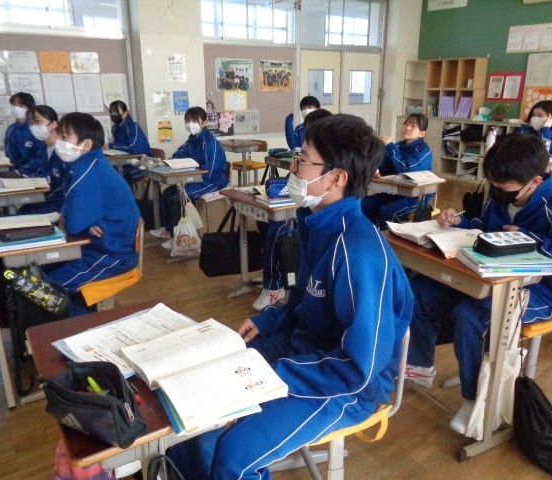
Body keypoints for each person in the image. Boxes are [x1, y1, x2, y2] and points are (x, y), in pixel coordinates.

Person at [167, 114, 414, 479]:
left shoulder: (358, 251)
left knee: (235, 456)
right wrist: (266, 321)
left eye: (303, 160)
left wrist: (274, 377)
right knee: (197, 398)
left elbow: (360, 369)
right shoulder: (316, 222)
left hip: (344, 386)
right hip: (304, 349)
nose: (293, 168)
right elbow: (302, 298)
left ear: (337, 178)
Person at [404, 134, 552, 435]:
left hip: (546, 293)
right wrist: (460, 222)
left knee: (472, 314)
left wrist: (534, 243)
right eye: (493, 184)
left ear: (535, 181)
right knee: (422, 291)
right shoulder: (500, 196)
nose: (496, 192)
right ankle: (420, 365)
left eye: (503, 188)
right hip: (492, 280)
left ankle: (475, 400)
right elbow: (485, 227)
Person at [42, 112, 140, 316]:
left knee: (48, 290)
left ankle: (78, 327)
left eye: (65, 136)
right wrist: (84, 221)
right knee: (43, 269)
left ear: (86, 144)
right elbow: (68, 209)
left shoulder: (87, 171)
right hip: (96, 245)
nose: (59, 141)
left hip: (112, 254)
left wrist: (77, 221)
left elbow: (71, 226)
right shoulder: (84, 165)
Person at [253, 108, 333, 311]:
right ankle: (271, 271)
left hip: (311, 210)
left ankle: (274, 286)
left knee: (278, 229)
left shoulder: (327, 160)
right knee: (265, 221)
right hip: (306, 208)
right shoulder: (310, 156)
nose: (293, 168)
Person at [150, 106, 228, 249]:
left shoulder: (210, 143)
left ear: (204, 122)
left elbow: (208, 171)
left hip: (213, 181)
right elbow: (179, 154)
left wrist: (189, 173)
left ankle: (177, 238)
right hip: (195, 179)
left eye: (194, 120)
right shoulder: (191, 140)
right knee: (167, 193)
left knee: (179, 197)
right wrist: (168, 163)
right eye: (187, 120)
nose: (190, 124)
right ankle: (168, 229)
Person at [361, 113, 433, 227]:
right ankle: (375, 231)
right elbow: (385, 168)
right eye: (406, 124)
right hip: (396, 192)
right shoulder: (398, 146)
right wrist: (377, 155)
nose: (407, 128)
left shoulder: (424, 150)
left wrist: (391, 148)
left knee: (388, 211)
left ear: (422, 133)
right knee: (365, 203)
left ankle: (390, 236)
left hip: (416, 198)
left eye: (413, 126)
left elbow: (405, 170)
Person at [18, 105, 66, 214]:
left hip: (61, 204)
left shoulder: (65, 151)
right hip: (46, 199)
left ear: (54, 124)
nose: (34, 126)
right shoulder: (43, 147)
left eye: (38, 121)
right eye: (31, 123)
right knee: (21, 211)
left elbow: (65, 188)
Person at [516, 100, 552, 185]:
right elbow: (515, 148)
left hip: (551, 173)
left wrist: (545, 129)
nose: (535, 118)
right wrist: (524, 127)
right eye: (533, 115)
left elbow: (551, 152)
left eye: (540, 115)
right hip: (528, 170)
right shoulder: (529, 130)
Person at [107, 100, 152, 187]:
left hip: (144, 163)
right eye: (111, 113)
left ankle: (127, 195)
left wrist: (110, 146)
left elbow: (134, 148)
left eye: (116, 112)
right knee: (109, 172)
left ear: (125, 114)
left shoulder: (133, 126)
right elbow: (118, 150)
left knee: (122, 176)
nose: (113, 115)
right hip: (126, 163)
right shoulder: (115, 128)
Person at [4, 92, 39, 176]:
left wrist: (23, 171)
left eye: (21, 105)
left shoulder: (36, 128)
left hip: (34, 174)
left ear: (29, 107)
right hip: (15, 173)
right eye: (14, 105)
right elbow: (9, 154)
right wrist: (13, 172)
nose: (17, 108)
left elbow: (40, 156)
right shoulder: (11, 130)